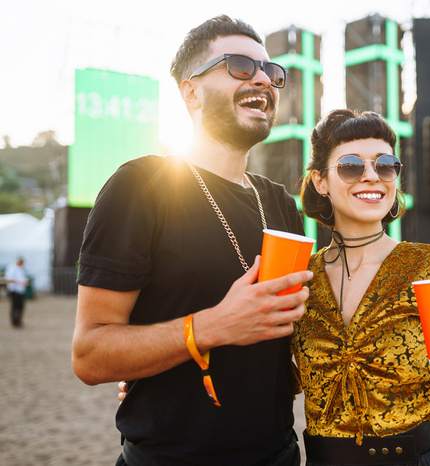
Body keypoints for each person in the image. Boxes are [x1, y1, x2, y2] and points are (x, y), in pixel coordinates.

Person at [71, 15, 313, 465]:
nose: (263, 79)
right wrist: (211, 328)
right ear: (191, 91)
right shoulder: (141, 186)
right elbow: (89, 354)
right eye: (240, 65)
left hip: (279, 456)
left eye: (272, 72)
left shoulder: (279, 202)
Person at [294, 109, 430, 465]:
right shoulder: (299, 277)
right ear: (320, 181)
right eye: (351, 166)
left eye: (386, 165)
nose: (372, 176)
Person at [5, 257, 29, 328]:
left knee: (20, 307)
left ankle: (19, 321)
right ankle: (15, 322)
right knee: (15, 307)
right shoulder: (12, 268)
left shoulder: (20, 269)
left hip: (20, 291)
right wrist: (20, 282)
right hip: (14, 290)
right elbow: (8, 280)